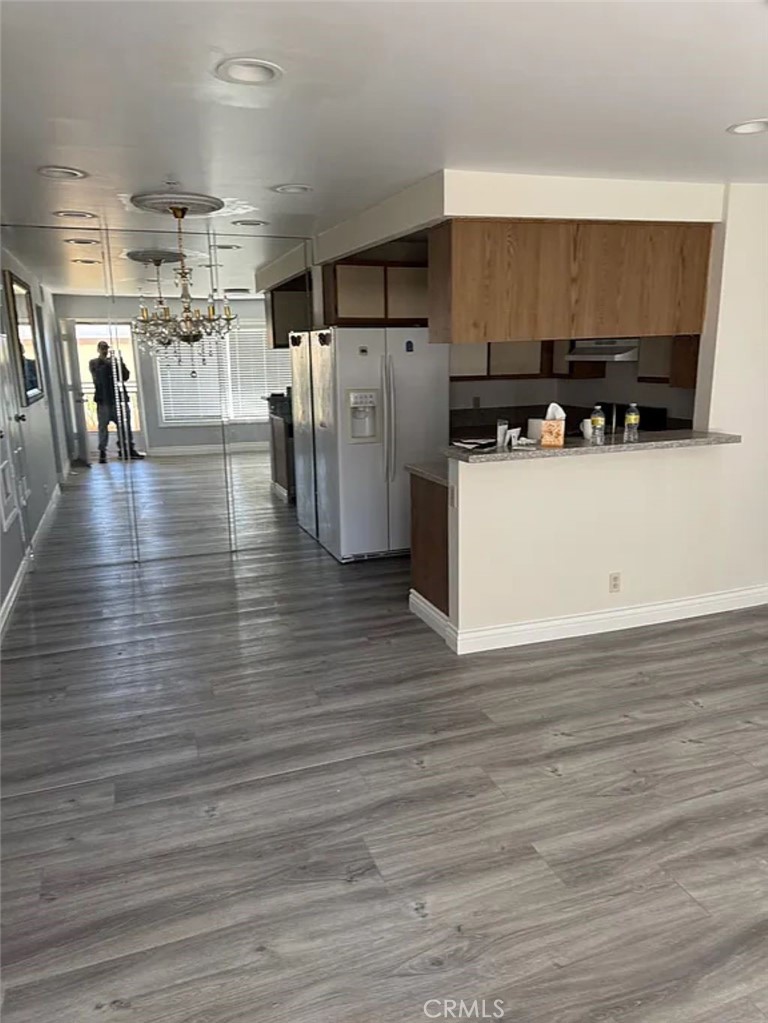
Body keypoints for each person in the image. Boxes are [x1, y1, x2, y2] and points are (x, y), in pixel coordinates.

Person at [89, 341, 144, 463]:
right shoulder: (94, 363)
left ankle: (127, 449)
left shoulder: (115, 362)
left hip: (119, 399)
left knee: (124, 427)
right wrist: (107, 362)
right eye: (102, 348)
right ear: (98, 349)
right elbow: (98, 375)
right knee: (103, 427)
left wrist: (120, 363)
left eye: (106, 348)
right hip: (103, 400)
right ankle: (102, 452)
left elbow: (125, 376)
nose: (105, 350)